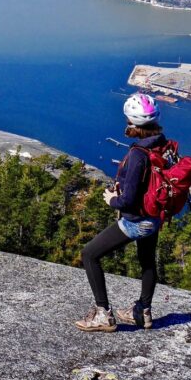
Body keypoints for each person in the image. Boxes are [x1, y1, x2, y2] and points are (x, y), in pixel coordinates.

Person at [74, 93, 166, 332]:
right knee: (147, 262)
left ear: (131, 122)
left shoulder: (137, 154)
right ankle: (142, 312)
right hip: (155, 216)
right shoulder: (161, 144)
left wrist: (112, 199)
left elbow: (127, 201)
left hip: (137, 220)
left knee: (89, 254)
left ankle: (103, 314)